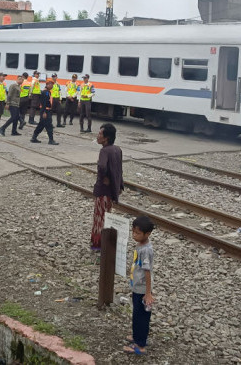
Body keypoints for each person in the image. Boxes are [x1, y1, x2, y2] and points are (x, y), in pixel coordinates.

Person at [124, 215, 155, 356]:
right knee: (137, 314)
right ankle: (138, 337)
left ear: (147, 234)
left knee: (140, 316)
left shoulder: (146, 251)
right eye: (133, 232)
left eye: (137, 233)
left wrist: (148, 293)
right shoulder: (141, 245)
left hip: (142, 289)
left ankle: (140, 345)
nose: (134, 235)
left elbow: (147, 272)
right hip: (137, 287)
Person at [91, 123, 124, 251]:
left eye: (100, 134)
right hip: (112, 191)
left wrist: (102, 178)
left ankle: (97, 244)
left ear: (106, 138)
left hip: (103, 190)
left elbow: (102, 166)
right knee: (107, 215)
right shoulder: (117, 149)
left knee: (99, 216)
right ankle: (105, 242)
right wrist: (120, 185)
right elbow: (119, 170)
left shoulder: (104, 151)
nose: (98, 136)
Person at [30, 79, 58, 145]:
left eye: (52, 84)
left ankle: (34, 137)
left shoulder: (48, 92)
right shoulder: (45, 92)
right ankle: (51, 140)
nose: (52, 86)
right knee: (49, 125)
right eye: (51, 84)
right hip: (46, 111)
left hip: (47, 110)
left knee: (41, 125)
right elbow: (43, 103)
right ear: (47, 84)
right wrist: (44, 112)